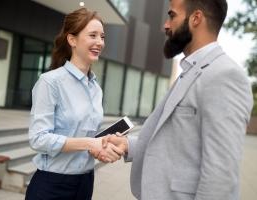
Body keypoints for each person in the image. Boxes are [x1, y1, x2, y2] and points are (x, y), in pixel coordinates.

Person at [96, 0, 254, 199]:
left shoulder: (224, 75)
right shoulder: (192, 70)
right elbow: (180, 141)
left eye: (172, 15)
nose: (166, 24)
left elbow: (220, 175)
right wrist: (129, 145)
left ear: (196, 18)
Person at [25, 8, 123, 200]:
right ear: (72, 40)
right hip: (51, 186)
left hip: (85, 183)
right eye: (92, 35)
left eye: (102, 37)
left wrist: (104, 144)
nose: (99, 43)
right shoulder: (50, 82)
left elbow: (87, 134)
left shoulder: (95, 88)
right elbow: (38, 138)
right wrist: (89, 143)